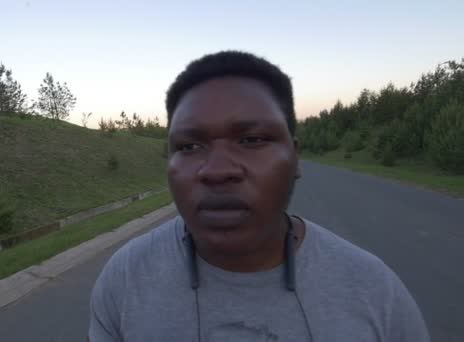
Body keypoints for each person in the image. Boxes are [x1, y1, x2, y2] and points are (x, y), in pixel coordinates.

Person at [88, 51, 430, 341]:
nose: (218, 170)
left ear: (294, 158)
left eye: (251, 140)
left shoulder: (375, 290)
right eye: (189, 146)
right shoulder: (125, 279)